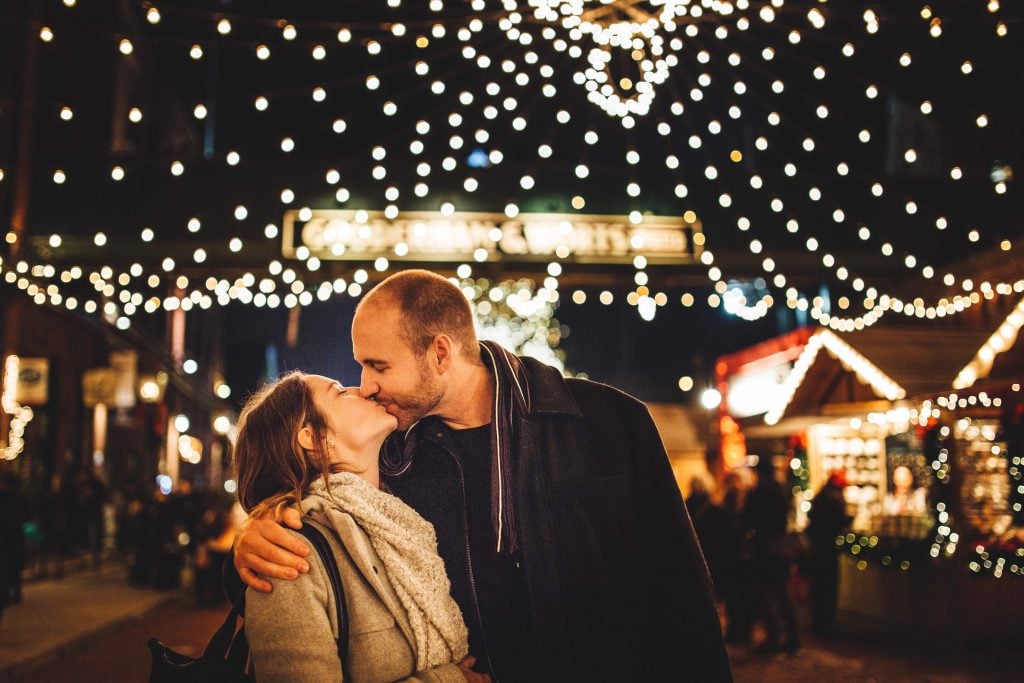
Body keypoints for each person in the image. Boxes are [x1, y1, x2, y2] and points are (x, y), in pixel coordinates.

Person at [234, 269, 731, 681]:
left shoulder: (608, 422)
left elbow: (682, 593)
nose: (366, 386)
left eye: (377, 365)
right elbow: (313, 555)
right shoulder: (391, 454)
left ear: (441, 353)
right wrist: (250, 544)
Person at [235, 370, 484, 682]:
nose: (364, 390)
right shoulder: (287, 555)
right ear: (314, 436)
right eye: (339, 392)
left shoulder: (403, 520)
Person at [742, 463, 799, 655]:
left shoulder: (758, 491)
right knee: (783, 593)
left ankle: (773, 639)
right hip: (782, 547)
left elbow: (748, 519)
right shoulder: (783, 489)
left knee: (767, 594)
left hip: (765, 549)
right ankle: (793, 638)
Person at [806, 471, 853, 637]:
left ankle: (818, 622)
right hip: (827, 549)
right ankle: (826, 624)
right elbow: (839, 520)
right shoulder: (835, 499)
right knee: (828, 587)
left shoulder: (821, 496)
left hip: (817, 549)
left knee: (818, 587)